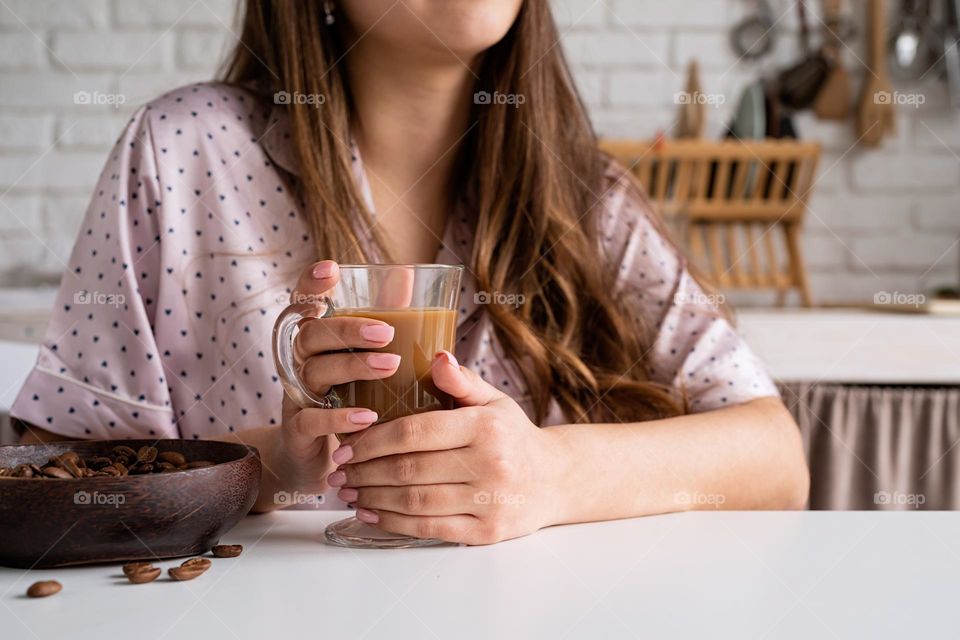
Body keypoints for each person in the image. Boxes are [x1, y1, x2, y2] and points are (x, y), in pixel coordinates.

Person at [12, 0, 808, 544]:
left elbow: (776, 459)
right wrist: (267, 468)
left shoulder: (586, 197)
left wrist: (547, 475)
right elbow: (55, 477)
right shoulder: (184, 150)